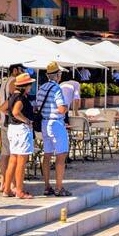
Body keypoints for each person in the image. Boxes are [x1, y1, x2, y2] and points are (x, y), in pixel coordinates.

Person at [36, 63, 71, 197]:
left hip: (44, 123)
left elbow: (37, 107)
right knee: (61, 155)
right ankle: (59, 187)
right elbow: (61, 108)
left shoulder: (41, 88)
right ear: (57, 75)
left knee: (47, 154)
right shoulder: (57, 88)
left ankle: (47, 186)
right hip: (56, 123)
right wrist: (66, 106)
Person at [1, 73, 37, 199]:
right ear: (24, 86)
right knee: (21, 161)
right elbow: (16, 111)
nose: (31, 86)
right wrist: (26, 120)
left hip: (12, 128)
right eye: (29, 84)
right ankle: (19, 191)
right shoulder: (21, 98)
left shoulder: (12, 96)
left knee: (13, 159)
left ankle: (7, 189)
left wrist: (11, 116)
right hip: (21, 129)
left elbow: (3, 108)